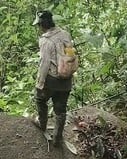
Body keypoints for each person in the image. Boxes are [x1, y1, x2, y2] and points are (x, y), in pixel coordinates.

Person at [32, 10, 74, 147]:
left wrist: (40, 83)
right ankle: (57, 137)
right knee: (61, 109)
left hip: (52, 80)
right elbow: (70, 56)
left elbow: (44, 64)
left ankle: (42, 123)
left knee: (40, 99)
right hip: (66, 79)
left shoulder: (45, 41)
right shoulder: (65, 34)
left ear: (42, 25)